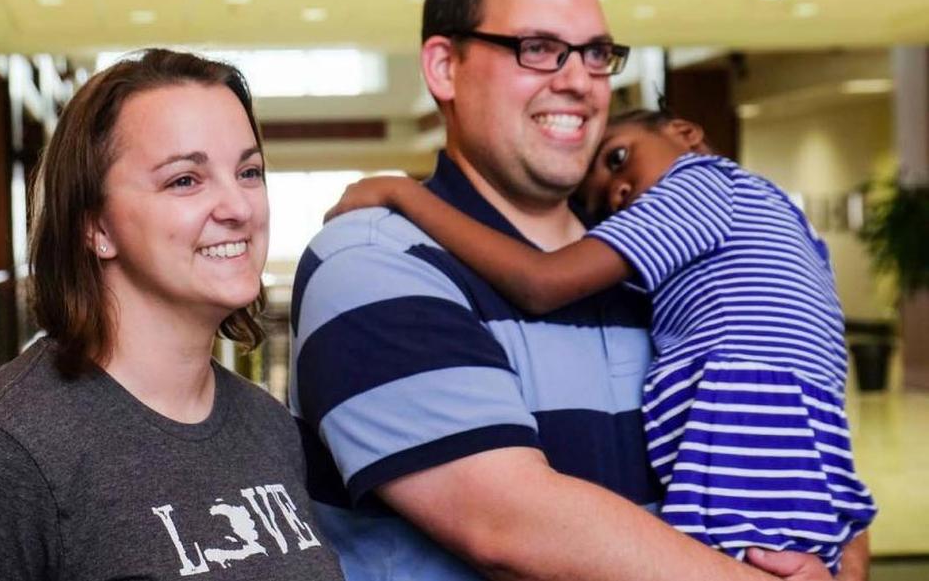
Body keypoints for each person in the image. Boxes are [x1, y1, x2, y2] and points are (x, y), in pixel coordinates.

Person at [288, 0, 869, 580]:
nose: (577, 79)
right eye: (536, 47)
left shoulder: (663, 271)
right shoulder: (373, 259)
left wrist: (836, 567)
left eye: (596, 54)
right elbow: (512, 526)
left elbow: (813, 460)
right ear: (445, 67)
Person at [324, 108, 878, 572]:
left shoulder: (704, 183)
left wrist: (403, 195)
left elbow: (541, 283)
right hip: (803, 456)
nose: (619, 191)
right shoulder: (777, 215)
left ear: (685, 134)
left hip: (747, 439)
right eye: (605, 200)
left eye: (619, 158)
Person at [0, 49, 344, 581]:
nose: (239, 207)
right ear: (96, 227)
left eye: (249, 172)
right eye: (185, 180)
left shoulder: (268, 426)